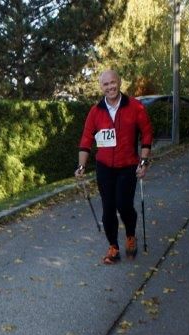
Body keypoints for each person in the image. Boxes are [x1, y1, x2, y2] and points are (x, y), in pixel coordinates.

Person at [74, 70, 153, 264]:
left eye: (113, 83)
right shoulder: (96, 111)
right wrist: (81, 166)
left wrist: (144, 161)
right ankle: (113, 247)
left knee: (124, 205)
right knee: (108, 208)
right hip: (105, 168)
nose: (110, 87)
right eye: (106, 84)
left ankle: (131, 236)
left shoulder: (135, 106)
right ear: (101, 87)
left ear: (119, 82)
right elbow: (86, 139)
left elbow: (147, 133)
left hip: (128, 166)